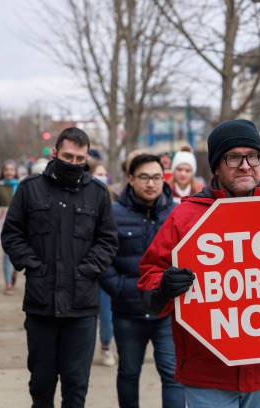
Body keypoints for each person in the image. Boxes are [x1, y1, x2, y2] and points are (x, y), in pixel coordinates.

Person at [137, 119, 260, 408]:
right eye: (234, 157)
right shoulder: (185, 217)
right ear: (217, 166)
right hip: (207, 373)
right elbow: (149, 280)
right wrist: (164, 288)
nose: (245, 165)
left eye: (253, 156)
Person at [1, 127, 118, 408]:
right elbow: (12, 234)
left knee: (76, 386)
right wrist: (34, 266)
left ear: (87, 157)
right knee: (41, 384)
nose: (74, 163)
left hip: (82, 307)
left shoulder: (98, 194)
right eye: (68, 156)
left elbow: (108, 241)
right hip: (41, 304)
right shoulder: (30, 189)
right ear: (55, 153)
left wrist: (87, 270)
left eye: (80, 158)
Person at [100, 153, 182, 408]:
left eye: (157, 177)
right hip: (128, 312)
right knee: (128, 372)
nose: (151, 184)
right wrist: (122, 289)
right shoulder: (113, 214)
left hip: (168, 313)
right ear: (131, 179)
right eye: (144, 177)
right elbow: (102, 261)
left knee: (173, 376)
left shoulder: (178, 212)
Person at [88, 162, 116, 367]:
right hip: (85, 268)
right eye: (99, 174)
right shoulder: (81, 197)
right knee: (88, 316)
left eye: (105, 174)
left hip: (106, 267)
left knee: (106, 316)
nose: (102, 177)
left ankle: (106, 346)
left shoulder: (114, 200)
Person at [0, 160, 19, 295]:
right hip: (4, 225)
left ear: (15, 172)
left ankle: (13, 272)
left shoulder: (21, 186)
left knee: (17, 254)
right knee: (7, 254)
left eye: (12, 170)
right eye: (7, 169)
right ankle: (8, 283)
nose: (9, 172)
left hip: (20, 226)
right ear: (3, 172)